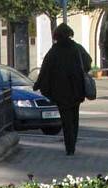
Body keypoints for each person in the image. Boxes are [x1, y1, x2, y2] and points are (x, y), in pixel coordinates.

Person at [33, 23, 92, 156]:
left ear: (57, 36)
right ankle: (73, 143)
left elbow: (45, 70)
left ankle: (69, 146)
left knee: (66, 120)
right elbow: (88, 61)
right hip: (77, 89)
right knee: (75, 117)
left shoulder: (54, 51)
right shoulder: (77, 48)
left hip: (60, 91)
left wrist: (38, 84)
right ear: (70, 34)